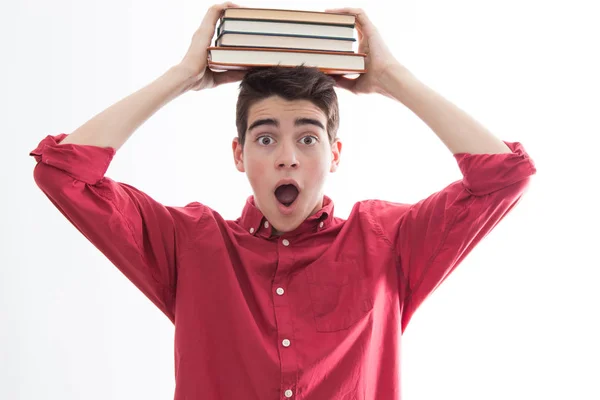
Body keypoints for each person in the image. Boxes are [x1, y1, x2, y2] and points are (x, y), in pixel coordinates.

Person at [29, 2, 536, 399]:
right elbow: (65, 173)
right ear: (239, 154)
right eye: (266, 138)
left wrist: (391, 78)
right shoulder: (190, 244)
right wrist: (185, 75)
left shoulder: (389, 241)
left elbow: (505, 177)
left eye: (308, 138)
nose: (287, 158)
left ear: (335, 154)